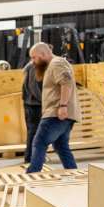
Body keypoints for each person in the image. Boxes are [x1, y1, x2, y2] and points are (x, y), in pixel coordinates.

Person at [25, 42, 80, 173]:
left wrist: (63, 106)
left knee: (39, 142)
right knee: (61, 146)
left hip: (56, 112)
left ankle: (33, 173)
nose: (33, 61)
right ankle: (73, 172)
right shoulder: (53, 65)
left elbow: (66, 83)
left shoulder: (57, 63)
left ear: (43, 54)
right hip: (59, 112)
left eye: (34, 57)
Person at [21, 59, 43, 164]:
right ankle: (30, 158)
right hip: (34, 104)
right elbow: (33, 87)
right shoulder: (35, 66)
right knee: (34, 132)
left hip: (31, 103)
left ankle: (31, 157)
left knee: (33, 131)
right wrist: (43, 100)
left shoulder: (30, 65)